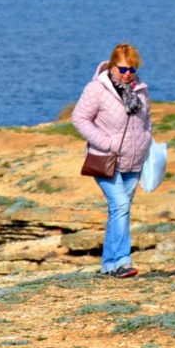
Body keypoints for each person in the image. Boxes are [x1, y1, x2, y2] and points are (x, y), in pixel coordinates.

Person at [72, 43, 153, 278]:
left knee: (119, 211)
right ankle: (122, 262)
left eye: (132, 69)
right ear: (111, 66)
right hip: (105, 160)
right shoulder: (96, 89)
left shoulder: (140, 89)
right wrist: (107, 143)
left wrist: (146, 140)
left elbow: (146, 121)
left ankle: (109, 265)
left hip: (133, 161)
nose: (127, 74)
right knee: (120, 206)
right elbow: (79, 118)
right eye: (123, 69)